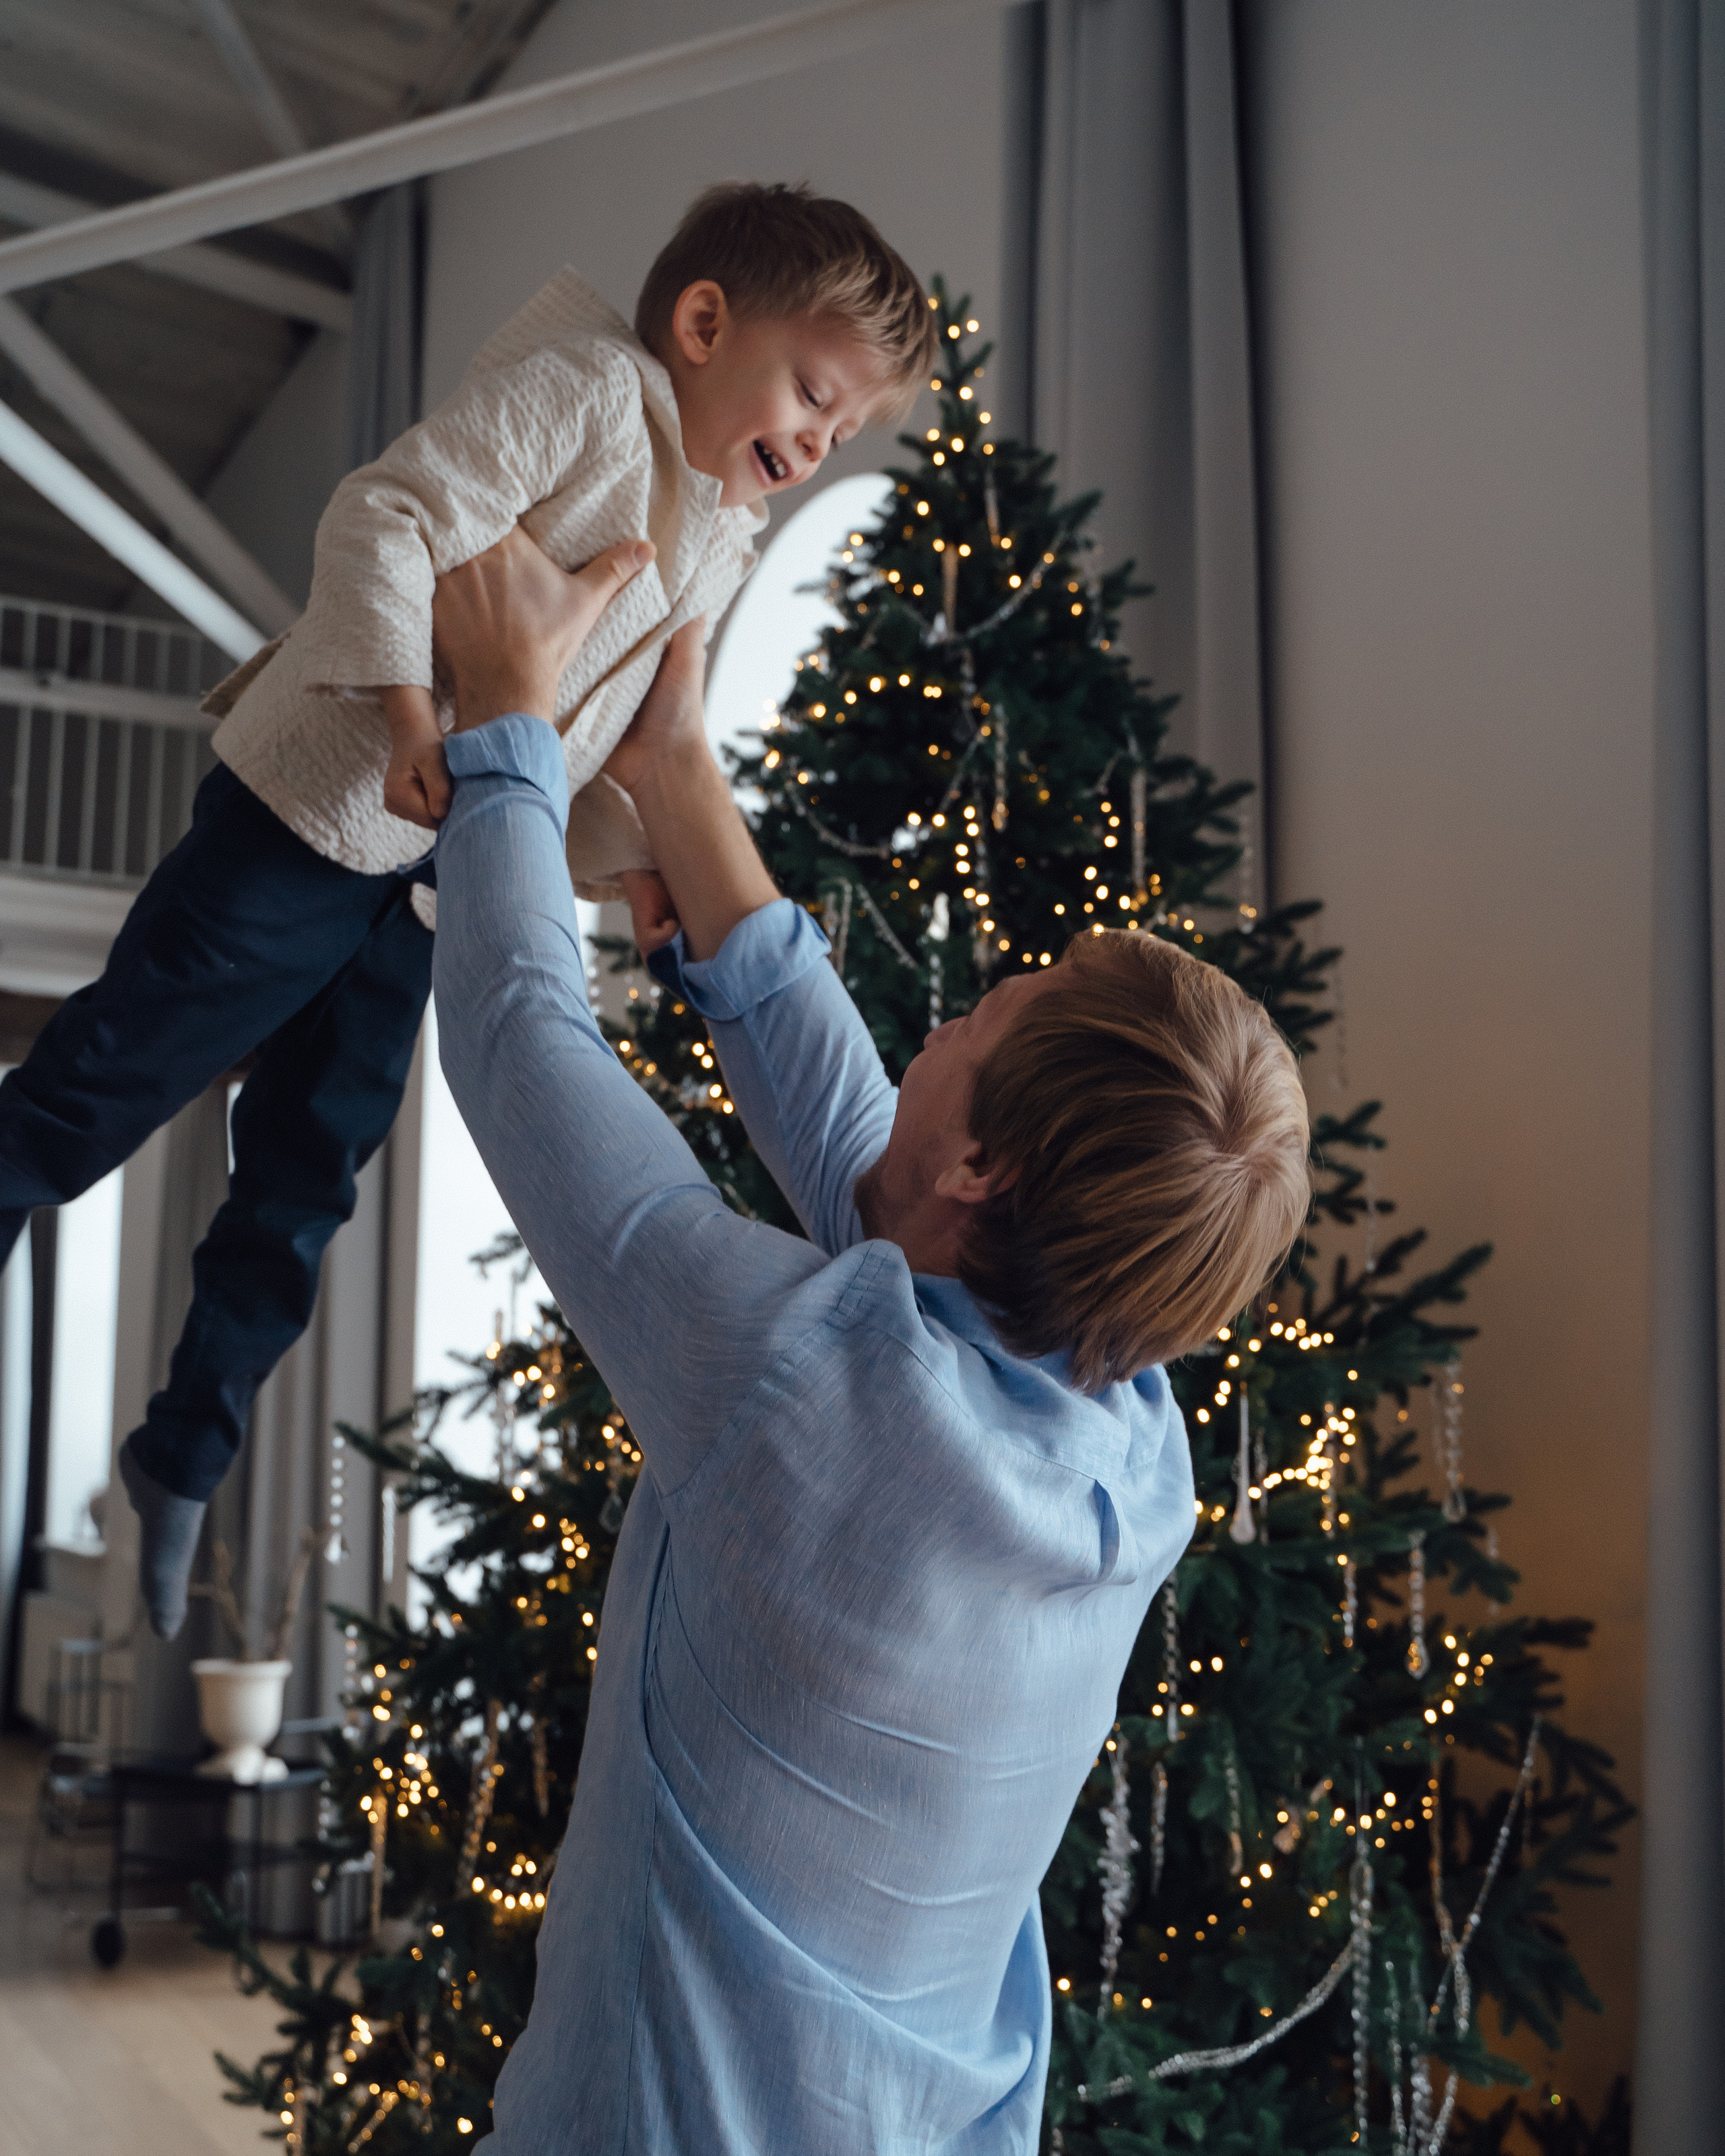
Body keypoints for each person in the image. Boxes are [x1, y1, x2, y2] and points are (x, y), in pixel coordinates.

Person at [426, 527, 1313, 2153]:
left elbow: (513, 1039)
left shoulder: (803, 1382)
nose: (968, 999)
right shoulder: (1129, 1435)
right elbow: (874, 1175)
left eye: (998, 1005)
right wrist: (683, 785)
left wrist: (503, 728)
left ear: (987, 1165)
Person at [0, 182, 936, 1639]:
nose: (813, 448)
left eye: (840, 437)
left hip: (427, 881)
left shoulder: (719, 544)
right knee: (117, 1071)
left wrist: (635, 869)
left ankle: (183, 1450)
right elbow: (383, 514)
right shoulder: (584, 394)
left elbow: (601, 739)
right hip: (318, 814)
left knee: (308, 1175)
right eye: (812, 398)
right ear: (702, 326)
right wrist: (398, 717)